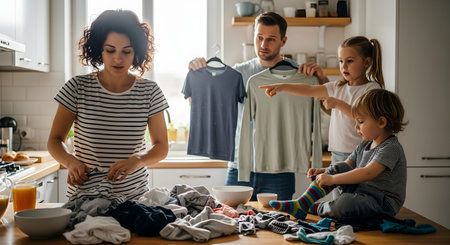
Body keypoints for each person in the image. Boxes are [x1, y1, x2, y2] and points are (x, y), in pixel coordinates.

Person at [47, 10, 169, 201]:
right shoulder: (77, 87)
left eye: (126, 51)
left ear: (136, 51)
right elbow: (54, 140)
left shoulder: (150, 91)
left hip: (134, 201)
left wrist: (137, 161)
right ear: (99, 50)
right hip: (84, 200)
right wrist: (70, 162)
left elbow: (161, 147)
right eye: (110, 50)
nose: (118, 59)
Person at [189, 12, 302, 200]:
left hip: (280, 172)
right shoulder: (238, 73)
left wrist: (321, 80)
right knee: (232, 225)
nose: (263, 45)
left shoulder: (297, 74)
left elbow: (323, 110)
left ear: (283, 41)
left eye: (271, 39)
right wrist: (195, 77)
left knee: (282, 226)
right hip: (240, 169)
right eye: (259, 38)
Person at [269, 89, 408, 220]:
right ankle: (303, 202)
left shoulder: (391, 147)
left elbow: (367, 173)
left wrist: (332, 179)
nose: (356, 127)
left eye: (360, 122)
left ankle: (314, 207)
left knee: (345, 203)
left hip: (383, 203)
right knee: (337, 167)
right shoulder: (365, 144)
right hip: (362, 192)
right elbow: (347, 165)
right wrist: (325, 172)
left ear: (381, 122)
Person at [261, 36, 385, 166]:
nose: (344, 66)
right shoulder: (337, 87)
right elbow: (309, 89)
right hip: (337, 153)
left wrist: (337, 104)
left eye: (349, 61)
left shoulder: (371, 89)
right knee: (337, 186)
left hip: (362, 154)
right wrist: (282, 87)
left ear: (367, 62)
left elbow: (364, 118)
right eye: (341, 61)